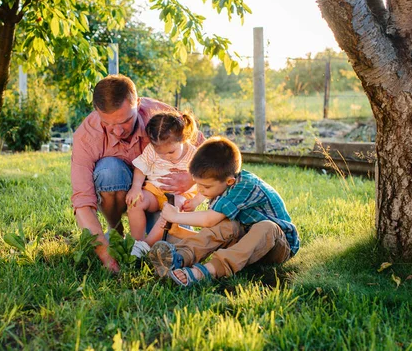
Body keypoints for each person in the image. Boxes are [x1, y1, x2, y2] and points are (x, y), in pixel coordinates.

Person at [71, 74, 202, 272]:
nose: (117, 131)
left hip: (164, 194)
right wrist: (105, 256)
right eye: (108, 124)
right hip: (132, 195)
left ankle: (143, 241)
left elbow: (212, 157)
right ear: (97, 112)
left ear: (138, 104)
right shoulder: (87, 136)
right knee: (108, 170)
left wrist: (191, 178)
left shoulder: (161, 117)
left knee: (171, 245)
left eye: (124, 121)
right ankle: (115, 231)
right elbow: (82, 203)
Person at [147, 136, 300, 286]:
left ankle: (207, 271)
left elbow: (208, 220)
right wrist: (180, 232)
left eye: (206, 187)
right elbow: (218, 236)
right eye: (197, 184)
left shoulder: (244, 186)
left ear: (229, 181)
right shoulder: (220, 190)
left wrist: (176, 216)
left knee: (266, 227)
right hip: (245, 244)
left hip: (277, 246)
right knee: (228, 225)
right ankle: (179, 258)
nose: (200, 190)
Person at [126, 111, 205, 257]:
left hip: (180, 196)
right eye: (161, 153)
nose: (166, 157)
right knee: (136, 203)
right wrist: (136, 188)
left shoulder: (194, 156)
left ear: (183, 139)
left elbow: (204, 181)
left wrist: (195, 201)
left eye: (171, 152)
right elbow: (141, 168)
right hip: (154, 192)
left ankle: (147, 244)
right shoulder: (151, 151)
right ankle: (136, 242)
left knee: (175, 206)